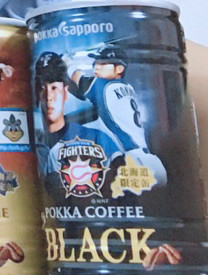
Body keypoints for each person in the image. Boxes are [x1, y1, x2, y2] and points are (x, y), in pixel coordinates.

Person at [65, 44, 167, 187]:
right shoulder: (128, 88)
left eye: (103, 63)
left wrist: (67, 61)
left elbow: (77, 77)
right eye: (96, 63)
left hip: (134, 163)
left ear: (119, 69)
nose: (96, 67)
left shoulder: (104, 86)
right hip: (152, 162)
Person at [34, 52, 121, 199]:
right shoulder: (34, 148)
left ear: (66, 91)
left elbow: (120, 177)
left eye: (54, 88)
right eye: (42, 88)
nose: (49, 97)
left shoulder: (95, 137)